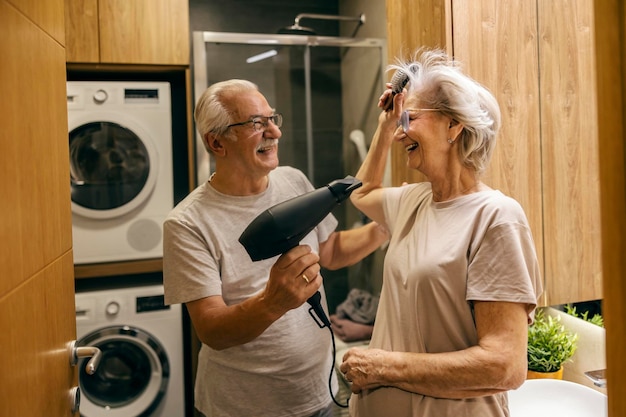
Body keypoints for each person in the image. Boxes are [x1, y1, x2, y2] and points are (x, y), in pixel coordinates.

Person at [162, 79, 389, 417]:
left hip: (317, 394)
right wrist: (273, 301)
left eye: (272, 119)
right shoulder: (187, 223)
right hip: (242, 408)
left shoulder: (292, 181)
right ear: (217, 143)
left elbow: (331, 251)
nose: (275, 133)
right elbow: (212, 330)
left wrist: (390, 225)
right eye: (257, 123)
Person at [339, 48, 543, 417]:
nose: (402, 134)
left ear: (453, 126)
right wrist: (387, 125)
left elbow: (505, 366)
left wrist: (383, 367)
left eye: (410, 118)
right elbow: (361, 192)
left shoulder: (495, 217)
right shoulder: (414, 201)